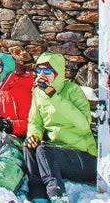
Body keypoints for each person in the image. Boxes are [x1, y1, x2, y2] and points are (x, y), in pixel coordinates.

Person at [23, 52, 97, 203]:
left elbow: (83, 125)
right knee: (29, 146)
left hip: (83, 157)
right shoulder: (38, 93)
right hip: (57, 153)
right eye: (39, 70)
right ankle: (38, 195)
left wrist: (53, 96)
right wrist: (34, 135)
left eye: (48, 71)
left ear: (58, 73)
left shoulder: (72, 91)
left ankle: (57, 195)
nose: (42, 74)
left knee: (44, 151)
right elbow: (34, 121)